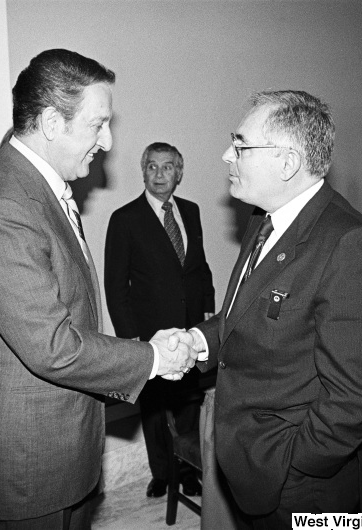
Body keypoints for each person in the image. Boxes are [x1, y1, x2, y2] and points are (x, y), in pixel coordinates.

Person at [0, 49, 196, 529]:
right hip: (27, 465)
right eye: (98, 124)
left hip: (63, 446)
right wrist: (153, 357)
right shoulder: (2, 208)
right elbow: (53, 348)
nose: (107, 141)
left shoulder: (39, 189)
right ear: (52, 123)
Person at [175, 90, 362, 524]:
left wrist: (295, 463)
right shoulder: (264, 220)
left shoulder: (350, 244)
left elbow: (359, 394)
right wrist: (195, 341)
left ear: (287, 162)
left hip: (297, 488)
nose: (226, 155)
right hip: (249, 464)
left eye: (240, 144)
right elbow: (243, 316)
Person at [104, 142, 215, 498]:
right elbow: (115, 283)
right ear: (143, 171)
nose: (159, 175)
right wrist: (131, 336)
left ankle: (186, 469)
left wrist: (208, 309)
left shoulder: (192, 211)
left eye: (167, 167)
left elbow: (199, 265)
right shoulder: (125, 219)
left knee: (188, 401)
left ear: (178, 173)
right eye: (152, 167)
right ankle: (162, 473)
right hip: (150, 334)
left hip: (191, 327)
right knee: (154, 408)